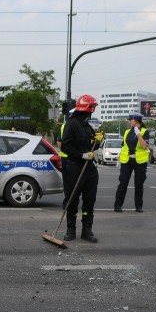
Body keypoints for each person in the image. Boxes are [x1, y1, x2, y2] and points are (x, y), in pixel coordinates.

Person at [60, 94, 101, 243]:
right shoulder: (72, 124)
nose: (93, 110)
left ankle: (87, 230)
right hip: (75, 168)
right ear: (87, 108)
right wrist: (81, 155)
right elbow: (65, 146)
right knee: (72, 200)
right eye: (92, 107)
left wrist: (97, 142)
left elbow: (90, 147)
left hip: (89, 169)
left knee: (89, 201)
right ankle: (71, 229)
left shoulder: (87, 126)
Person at [113, 113, 150, 213]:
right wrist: (119, 160)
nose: (130, 122)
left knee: (139, 184)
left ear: (136, 121)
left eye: (131, 120)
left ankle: (138, 206)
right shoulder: (127, 132)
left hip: (140, 161)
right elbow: (123, 147)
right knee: (123, 183)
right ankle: (117, 205)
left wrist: (138, 134)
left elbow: (144, 146)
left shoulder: (144, 131)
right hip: (127, 160)